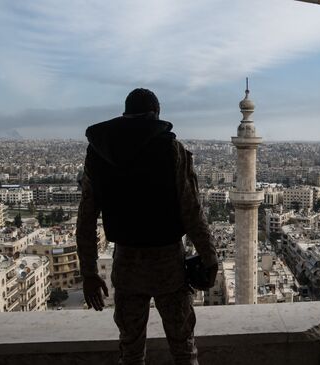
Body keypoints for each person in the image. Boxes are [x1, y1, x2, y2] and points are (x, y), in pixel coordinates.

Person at [76, 88, 218, 365]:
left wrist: (90, 272)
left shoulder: (99, 152)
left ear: (125, 113)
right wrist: (209, 257)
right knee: (183, 347)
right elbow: (192, 211)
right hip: (168, 264)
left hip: (127, 263)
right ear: (156, 113)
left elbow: (87, 217)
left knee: (130, 351)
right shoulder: (171, 150)